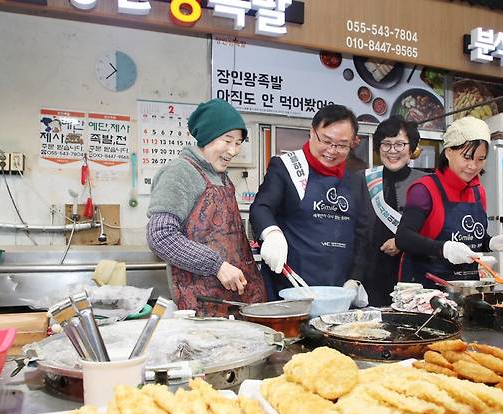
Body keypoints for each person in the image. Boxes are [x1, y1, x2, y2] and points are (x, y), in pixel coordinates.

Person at [146, 99, 266, 316]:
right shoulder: (180, 173)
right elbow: (160, 236)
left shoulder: (222, 178)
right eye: (227, 140)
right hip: (202, 305)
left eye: (238, 143)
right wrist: (216, 265)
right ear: (207, 137)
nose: (233, 150)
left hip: (234, 300)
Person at [249, 104, 363, 298]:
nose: (332, 150)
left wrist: (355, 278)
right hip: (291, 286)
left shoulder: (354, 179)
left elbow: (363, 234)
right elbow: (261, 207)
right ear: (312, 133)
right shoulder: (287, 168)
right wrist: (271, 233)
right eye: (326, 141)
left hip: (338, 290)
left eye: (342, 145)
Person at [396, 116, 503, 287]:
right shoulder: (424, 189)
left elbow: (471, 238)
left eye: (481, 159)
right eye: (467, 157)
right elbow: (403, 238)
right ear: (448, 152)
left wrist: (490, 242)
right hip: (427, 290)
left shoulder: (478, 191)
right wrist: (444, 249)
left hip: (466, 289)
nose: (474, 166)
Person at [345, 116, 426, 306]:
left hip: (411, 273)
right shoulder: (362, 179)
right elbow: (353, 228)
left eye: (400, 144)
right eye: (386, 144)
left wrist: (403, 241)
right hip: (368, 273)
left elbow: (432, 228)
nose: (392, 151)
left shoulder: (425, 183)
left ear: (411, 147)